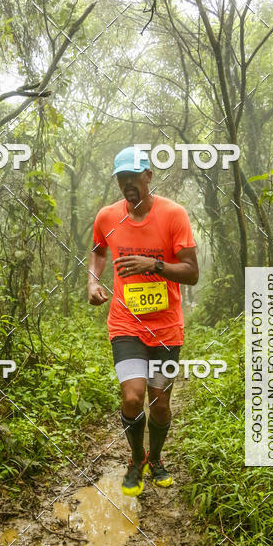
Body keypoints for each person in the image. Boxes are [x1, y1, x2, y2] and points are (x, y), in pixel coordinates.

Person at [87, 146, 199, 496]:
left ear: (148, 175)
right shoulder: (107, 216)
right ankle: (136, 460)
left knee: (160, 402)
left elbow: (192, 273)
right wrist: (93, 280)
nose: (127, 184)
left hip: (166, 328)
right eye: (122, 178)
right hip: (125, 325)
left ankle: (157, 458)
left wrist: (154, 265)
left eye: (133, 176)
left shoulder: (173, 215)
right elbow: (98, 250)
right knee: (133, 398)